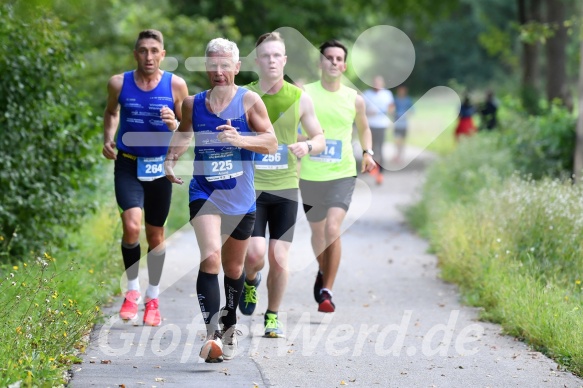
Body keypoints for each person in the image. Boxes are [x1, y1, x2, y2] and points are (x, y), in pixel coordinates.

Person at [164, 38, 277, 363]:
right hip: (204, 191)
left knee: (233, 268)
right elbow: (184, 133)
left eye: (225, 65)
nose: (218, 71)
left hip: (240, 197)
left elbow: (270, 142)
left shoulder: (249, 100)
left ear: (236, 68)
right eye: (212, 64)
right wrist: (171, 159)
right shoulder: (192, 103)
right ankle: (212, 334)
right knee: (210, 259)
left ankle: (229, 324)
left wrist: (239, 138)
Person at [240, 32, 325, 338]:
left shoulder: (299, 97)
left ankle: (272, 315)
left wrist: (309, 147)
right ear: (256, 60)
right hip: (250, 188)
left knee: (279, 256)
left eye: (277, 55)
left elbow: (319, 137)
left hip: (286, 187)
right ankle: (251, 281)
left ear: (284, 60)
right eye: (266, 55)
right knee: (254, 255)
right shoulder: (244, 96)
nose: (272, 60)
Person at [102, 29, 189, 327]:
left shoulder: (176, 85)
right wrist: (108, 138)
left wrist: (174, 123)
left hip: (158, 168)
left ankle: (153, 297)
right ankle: (132, 290)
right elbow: (111, 112)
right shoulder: (119, 83)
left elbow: (186, 128)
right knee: (131, 225)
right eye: (143, 50)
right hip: (127, 164)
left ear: (163, 54)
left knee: (155, 237)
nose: (148, 56)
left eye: (154, 50)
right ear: (135, 53)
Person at [299, 39, 376, 313]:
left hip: (342, 173)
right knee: (318, 233)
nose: (333, 62)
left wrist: (367, 151)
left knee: (333, 228)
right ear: (321, 62)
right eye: (328, 57)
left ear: (344, 65)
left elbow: (365, 128)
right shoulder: (304, 93)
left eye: (338, 58)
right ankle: (323, 270)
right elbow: (289, 126)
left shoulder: (354, 99)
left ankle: (327, 291)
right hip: (309, 174)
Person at [362, 75, 394, 184]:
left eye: (378, 83)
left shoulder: (387, 94)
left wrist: (386, 111)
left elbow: (391, 108)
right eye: (375, 83)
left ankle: (380, 173)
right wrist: (368, 113)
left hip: (381, 125)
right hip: (370, 125)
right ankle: (370, 168)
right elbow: (361, 110)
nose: (376, 85)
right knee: (370, 148)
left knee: (380, 149)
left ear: (382, 84)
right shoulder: (367, 94)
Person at [393, 85, 414, 164]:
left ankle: (401, 155)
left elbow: (412, 110)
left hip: (404, 124)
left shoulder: (408, 100)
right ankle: (397, 155)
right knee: (397, 140)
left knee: (403, 141)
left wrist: (406, 114)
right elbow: (391, 110)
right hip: (397, 124)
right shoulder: (395, 100)